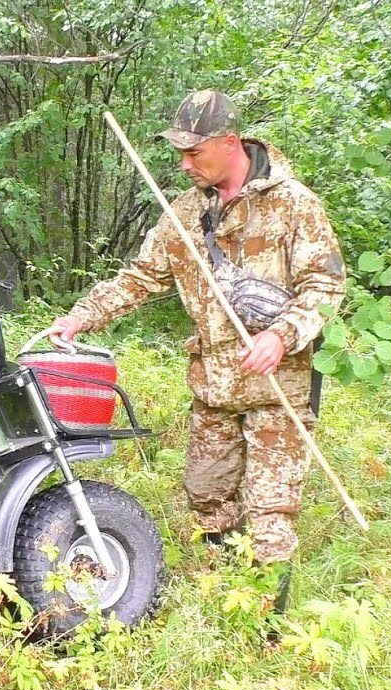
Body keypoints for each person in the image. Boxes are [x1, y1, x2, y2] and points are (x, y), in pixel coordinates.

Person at [47, 90, 346, 619]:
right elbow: (142, 277)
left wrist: (281, 335)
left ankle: (264, 623)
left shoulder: (294, 203)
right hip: (214, 385)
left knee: (269, 510)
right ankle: (226, 588)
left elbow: (324, 283)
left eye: (195, 153)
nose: (184, 165)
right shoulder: (183, 212)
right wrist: (81, 316)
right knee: (207, 495)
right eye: (179, 154)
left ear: (230, 143)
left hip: (279, 388)